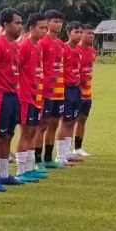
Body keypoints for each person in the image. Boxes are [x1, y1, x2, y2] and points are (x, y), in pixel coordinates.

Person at [0, 8, 23, 191]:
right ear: (6, 24)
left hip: (12, 95)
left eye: (21, 23)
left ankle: (4, 173)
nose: (20, 27)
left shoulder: (15, 44)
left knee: (8, 135)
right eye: (17, 23)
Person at [14, 13, 48, 182]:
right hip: (25, 97)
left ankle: (29, 168)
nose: (44, 31)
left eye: (45, 28)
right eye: (41, 28)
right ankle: (21, 171)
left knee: (33, 131)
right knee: (26, 131)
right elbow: (15, 68)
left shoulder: (38, 47)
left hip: (37, 96)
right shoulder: (24, 45)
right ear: (31, 28)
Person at [34, 10, 65, 169]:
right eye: (55, 21)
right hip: (45, 92)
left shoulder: (61, 44)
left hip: (59, 92)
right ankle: (37, 160)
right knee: (42, 125)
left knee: (54, 124)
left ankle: (48, 158)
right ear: (47, 23)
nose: (58, 24)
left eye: (60, 21)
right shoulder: (42, 43)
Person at [55, 22, 84, 165]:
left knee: (72, 121)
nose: (79, 35)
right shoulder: (63, 49)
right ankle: (60, 156)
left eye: (80, 32)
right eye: (76, 32)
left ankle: (67, 152)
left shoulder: (79, 51)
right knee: (65, 122)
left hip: (76, 89)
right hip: (66, 89)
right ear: (68, 33)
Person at [72, 24, 97, 158]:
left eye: (93, 33)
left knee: (83, 119)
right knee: (69, 121)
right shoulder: (75, 50)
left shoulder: (93, 51)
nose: (91, 36)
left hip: (88, 92)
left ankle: (78, 147)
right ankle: (66, 149)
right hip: (75, 91)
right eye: (88, 33)